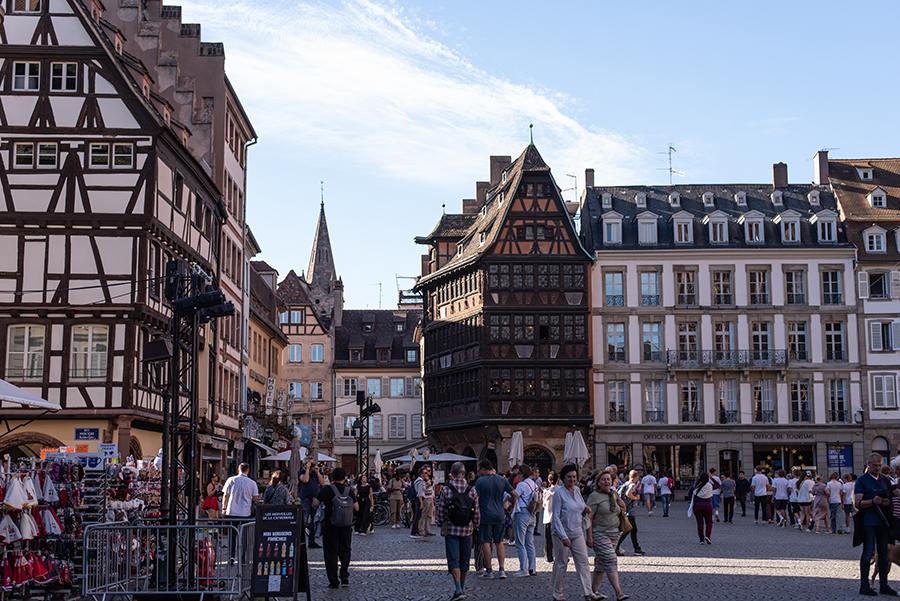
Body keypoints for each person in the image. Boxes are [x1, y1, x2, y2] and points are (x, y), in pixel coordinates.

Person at [436, 462, 481, 601]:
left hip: (452, 529)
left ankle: (458, 589)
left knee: (453, 559)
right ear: (463, 472)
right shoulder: (471, 490)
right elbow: (476, 512)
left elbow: (442, 510)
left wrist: (440, 523)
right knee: (464, 559)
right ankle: (462, 587)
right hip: (467, 530)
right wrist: (476, 525)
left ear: (451, 472)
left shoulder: (446, 490)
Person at [550, 464, 593, 601]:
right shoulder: (559, 493)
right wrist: (563, 536)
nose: (572, 479)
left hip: (577, 532)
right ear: (563, 478)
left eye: (574, 476)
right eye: (569, 477)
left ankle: (588, 592)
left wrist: (586, 509)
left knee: (583, 562)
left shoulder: (577, 490)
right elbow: (555, 517)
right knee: (561, 563)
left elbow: (579, 505)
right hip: (561, 534)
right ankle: (557, 594)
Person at [856, 453, 897, 596]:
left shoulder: (885, 480)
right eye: (875, 466)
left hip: (883, 522)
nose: (877, 468)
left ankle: (884, 585)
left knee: (884, 554)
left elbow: (891, 499)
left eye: (879, 466)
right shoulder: (862, 480)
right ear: (868, 465)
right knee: (868, 553)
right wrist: (872, 501)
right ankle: (864, 585)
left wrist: (887, 502)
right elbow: (858, 503)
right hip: (869, 521)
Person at [586, 470, 629, 601]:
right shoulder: (594, 496)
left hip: (614, 533)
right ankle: (619, 592)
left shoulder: (614, 493)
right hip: (599, 533)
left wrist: (623, 505)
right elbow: (589, 518)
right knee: (611, 559)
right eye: (603, 479)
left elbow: (620, 510)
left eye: (608, 479)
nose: (606, 481)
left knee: (601, 564)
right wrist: (589, 537)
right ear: (598, 482)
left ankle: (592, 593)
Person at [313, 467, 359, 589]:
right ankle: (344, 575)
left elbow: (315, 504)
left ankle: (333, 581)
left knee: (330, 553)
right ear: (345, 478)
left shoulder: (326, 490)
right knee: (345, 550)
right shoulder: (349, 491)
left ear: (332, 477)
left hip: (330, 526)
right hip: (346, 526)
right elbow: (356, 507)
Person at [474, 459, 517, 579]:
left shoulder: (480, 481)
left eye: (479, 469)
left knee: (486, 542)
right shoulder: (502, 479)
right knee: (499, 542)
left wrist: (474, 512)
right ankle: (502, 569)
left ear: (483, 469)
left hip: (485, 515)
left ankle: (489, 570)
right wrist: (512, 506)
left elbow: (476, 498)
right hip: (499, 515)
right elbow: (514, 494)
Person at [512, 464, 539, 577]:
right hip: (532, 514)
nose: (517, 475)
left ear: (522, 473)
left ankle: (523, 569)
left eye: (518, 473)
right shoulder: (534, 484)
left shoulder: (522, 484)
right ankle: (532, 568)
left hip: (522, 513)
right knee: (530, 543)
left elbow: (515, 495)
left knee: (520, 542)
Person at [615, 470, 645, 556]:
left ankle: (637, 548)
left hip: (627, 510)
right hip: (630, 511)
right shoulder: (633, 485)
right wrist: (635, 498)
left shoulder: (626, 483)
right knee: (627, 530)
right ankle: (616, 546)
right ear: (636, 477)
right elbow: (628, 494)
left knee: (633, 530)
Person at [299, 459, 325, 548]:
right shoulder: (301, 472)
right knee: (304, 521)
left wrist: (318, 472)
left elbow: (322, 483)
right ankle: (301, 541)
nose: (312, 465)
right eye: (310, 463)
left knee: (314, 521)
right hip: (306, 499)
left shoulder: (314, 473)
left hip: (315, 500)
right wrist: (307, 469)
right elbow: (305, 480)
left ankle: (311, 541)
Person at [690, 473, 714, 544]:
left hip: (697, 506)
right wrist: (713, 479)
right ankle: (708, 535)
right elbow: (718, 485)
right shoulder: (710, 486)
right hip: (707, 506)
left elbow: (689, 493)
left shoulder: (695, 485)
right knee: (709, 521)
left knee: (700, 523)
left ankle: (701, 539)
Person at [543, 471, 559, 563]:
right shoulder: (561, 490)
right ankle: (560, 555)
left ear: (549, 481)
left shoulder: (546, 492)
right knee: (559, 539)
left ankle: (548, 557)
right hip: (558, 517)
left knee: (548, 539)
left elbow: (544, 504)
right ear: (558, 480)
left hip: (548, 517)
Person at [418, 465, 435, 537]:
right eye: (428, 471)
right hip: (426, 498)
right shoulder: (422, 479)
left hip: (430, 497)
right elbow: (421, 490)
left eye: (430, 470)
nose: (430, 472)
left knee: (429, 515)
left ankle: (427, 530)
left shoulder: (429, 478)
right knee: (424, 514)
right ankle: (421, 529)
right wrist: (427, 485)